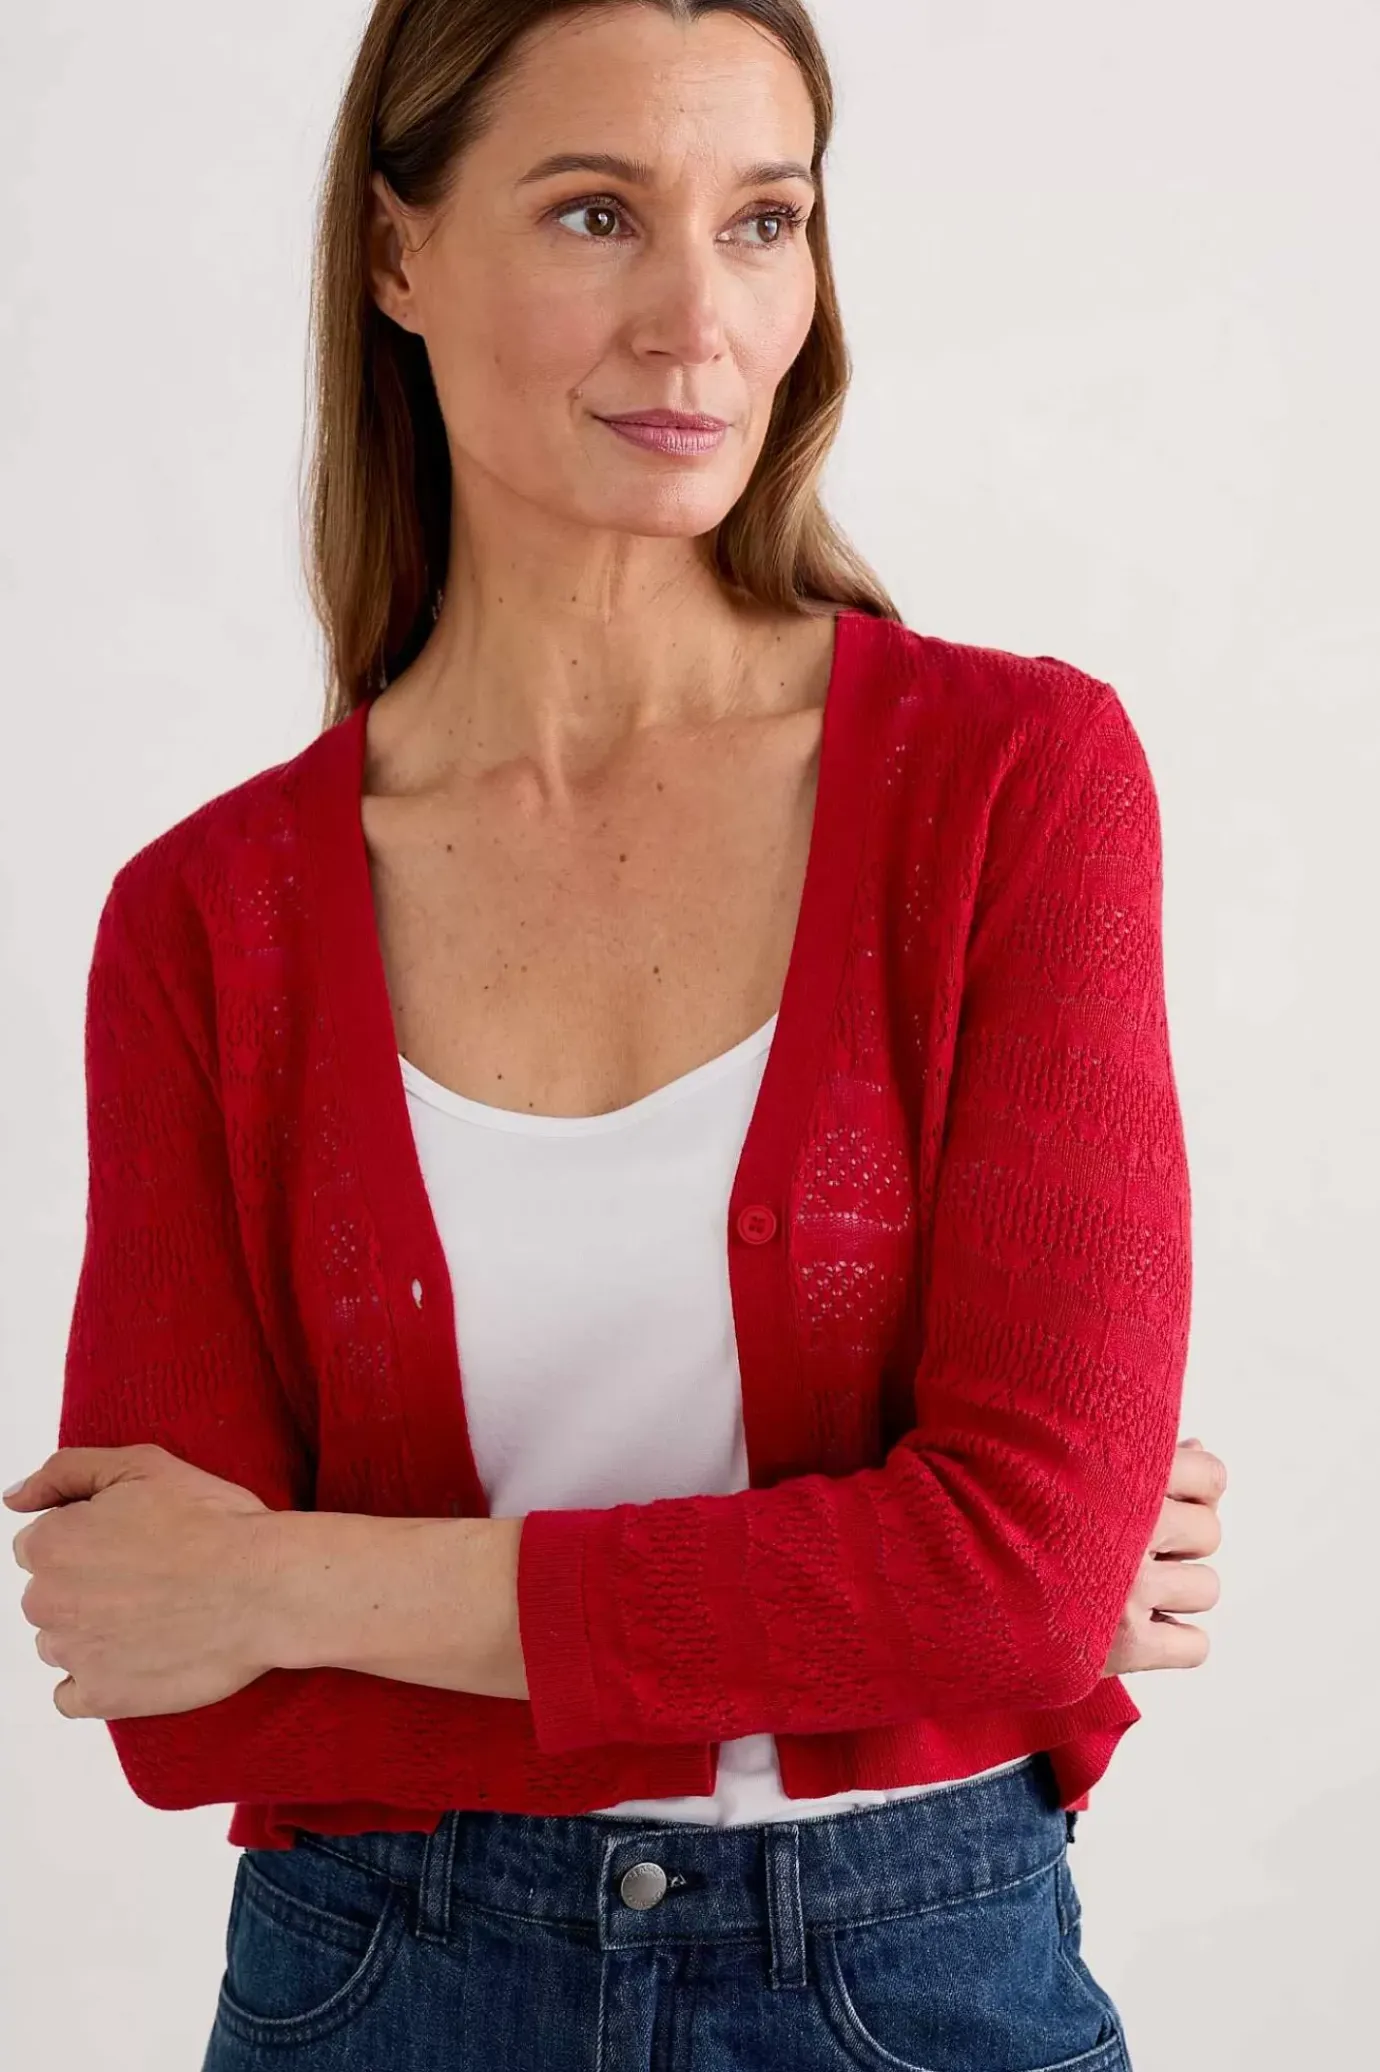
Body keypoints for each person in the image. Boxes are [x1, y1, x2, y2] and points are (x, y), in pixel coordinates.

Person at [6, 3, 1225, 2067]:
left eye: (763, 222)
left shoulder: (1014, 784)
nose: (698, 323)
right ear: (396, 251)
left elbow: (1018, 1574)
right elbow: (169, 1680)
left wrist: (293, 1584)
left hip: (915, 1988)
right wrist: (873, 1605)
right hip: (377, 1988)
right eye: (595, 213)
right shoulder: (211, 921)